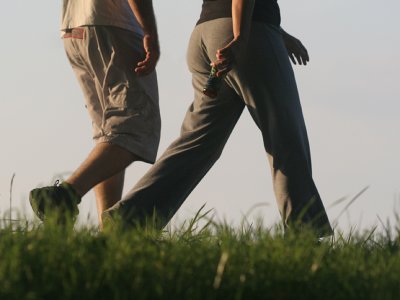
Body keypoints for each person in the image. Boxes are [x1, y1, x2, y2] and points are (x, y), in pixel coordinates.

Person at [103, 0, 333, 237]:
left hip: (206, 34)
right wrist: (241, 37)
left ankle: (129, 220)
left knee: (197, 143)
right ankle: (303, 235)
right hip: (246, 34)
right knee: (285, 137)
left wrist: (278, 32)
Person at [29, 0, 161, 226]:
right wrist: (149, 31)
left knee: (110, 134)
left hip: (74, 29)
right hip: (113, 26)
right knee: (136, 127)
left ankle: (106, 227)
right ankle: (65, 196)